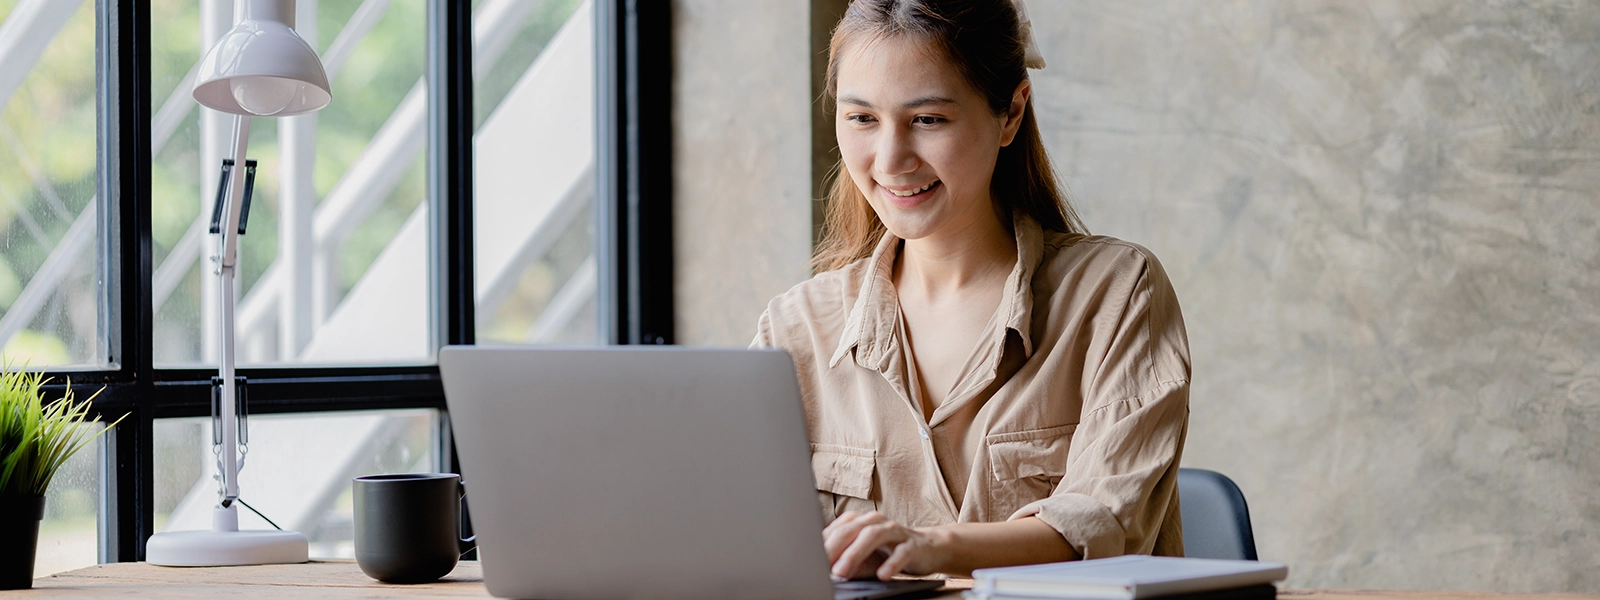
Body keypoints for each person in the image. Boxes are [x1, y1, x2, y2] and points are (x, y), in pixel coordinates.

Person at [749, 0, 1192, 582]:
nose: (890, 159)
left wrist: (934, 547)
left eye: (928, 119)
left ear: (1010, 113)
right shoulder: (794, 328)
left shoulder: (1115, 294)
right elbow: (741, 541)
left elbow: (1107, 520)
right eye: (861, 119)